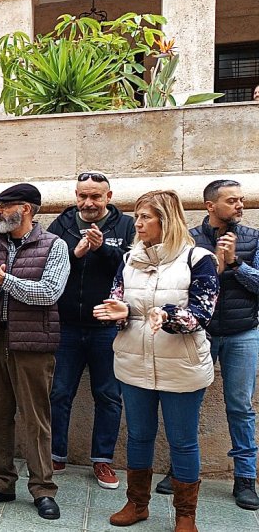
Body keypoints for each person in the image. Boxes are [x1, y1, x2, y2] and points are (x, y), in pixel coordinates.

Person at [96, 190, 218, 531]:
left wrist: (165, 315)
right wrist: (116, 313)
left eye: (145, 217)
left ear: (167, 219)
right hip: (134, 362)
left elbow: (202, 313)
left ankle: (185, 516)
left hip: (181, 366)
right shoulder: (129, 260)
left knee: (183, 440)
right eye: (136, 216)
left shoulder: (198, 259)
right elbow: (118, 300)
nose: (137, 223)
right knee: (138, 436)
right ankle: (137, 505)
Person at [0, 183, 69, 521]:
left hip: (33, 343)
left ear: (26, 209)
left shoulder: (54, 245)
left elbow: (49, 293)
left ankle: (42, 488)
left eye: (5, 206)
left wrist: (4, 281)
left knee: (36, 418)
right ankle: (1, 482)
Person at [46, 171, 133, 490]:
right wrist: (76, 253)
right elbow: (47, 264)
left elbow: (131, 269)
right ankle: (56, 453)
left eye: (95, 196)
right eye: (83, 195)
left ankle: (103, 460)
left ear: (109, 197)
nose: (88, 202)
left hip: (106, 328)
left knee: (109, 395)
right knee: (59, 392)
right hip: (66, 325)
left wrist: (102, 250)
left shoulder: (125, 226)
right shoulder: (62, 225)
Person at [189, 179, 259, 510]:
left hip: (242, 332)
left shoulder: (253, 238)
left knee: (240, 406)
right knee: (187, 401)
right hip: (199, 332)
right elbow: (180, 283)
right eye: (232, 201)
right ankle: (181, 468)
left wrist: (235, 264)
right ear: (210, 206)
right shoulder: (190, 238)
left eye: (241, 200)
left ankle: (245, 479)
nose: (240, 206)